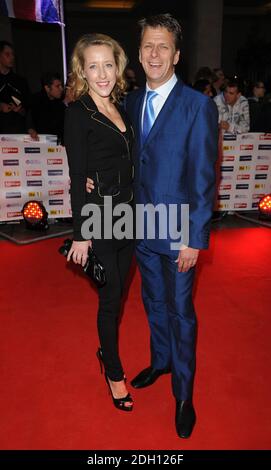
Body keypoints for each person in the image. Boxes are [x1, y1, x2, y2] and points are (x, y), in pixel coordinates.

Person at [87, 14, 218, 438]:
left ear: (177, 54)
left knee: (182, 313)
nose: (155, 54)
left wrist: (194, 239)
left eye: (163, 46)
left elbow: (203, 178)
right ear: (138, 53)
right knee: (153, 303)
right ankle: (160, 361)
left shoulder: (198, 106)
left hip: (178, 230)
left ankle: (184, 393)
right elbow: (121, 159)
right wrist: (95, 178)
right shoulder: (130, 101)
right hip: (139, 227)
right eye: (148, 46)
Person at [64, 33, 135, 411]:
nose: (102, 72)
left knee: (120, 293)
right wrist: (80, 235)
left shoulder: (122, 106)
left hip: (130, 215)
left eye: (108, 63)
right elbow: (78, 177)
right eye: (93, 65)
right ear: (82, 71)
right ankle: (114, 372)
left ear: (118, 66)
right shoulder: (78, 113)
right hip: (99, 218)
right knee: (110, 301)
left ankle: (104, 348)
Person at [0, 40, 30, 133]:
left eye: (12, 54)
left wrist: (20, 110)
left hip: (17, 134)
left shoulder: (21, 81)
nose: (12, 57)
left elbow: (29, 110)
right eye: (7, 54)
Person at [27, 72, 66, 143]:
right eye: (57, 86)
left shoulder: (62, 103)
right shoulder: (35, 101)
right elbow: (28, 119)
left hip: (59, 147)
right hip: (39, 145)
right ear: (47, 88)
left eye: (61, 85)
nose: (61, 89)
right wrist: (30, 128)